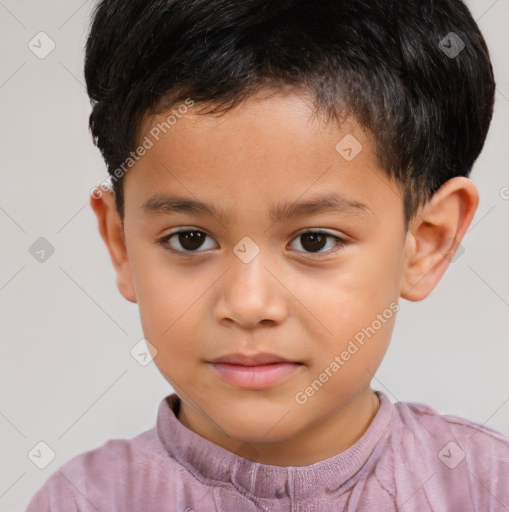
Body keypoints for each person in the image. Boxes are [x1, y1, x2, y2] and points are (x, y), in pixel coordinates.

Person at [25, 0, 508, 510]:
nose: (249, 304)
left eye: (314, 240)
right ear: (121, 244)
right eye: (190, 239)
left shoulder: (487, 490)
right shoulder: (81, 502)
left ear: (428, 242)